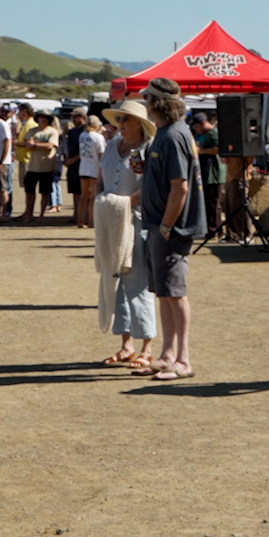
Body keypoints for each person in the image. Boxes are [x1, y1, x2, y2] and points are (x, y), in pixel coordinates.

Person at [140, 79, 207, 381]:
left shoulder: (172, 135)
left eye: (147, 98)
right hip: (158, 225)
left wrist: (167, 224)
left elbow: (180, 186)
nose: (144, 102)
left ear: (158, 102)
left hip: (170, 228)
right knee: (164, 293)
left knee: (175, 293)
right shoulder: (165, 134)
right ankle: (167, 354)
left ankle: (183, 359)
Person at [96, 100, 157, 369]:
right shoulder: (110, 146)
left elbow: (151, 189)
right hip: (110, 220)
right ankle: (125, 345)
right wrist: (100, 204)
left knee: (137, 283)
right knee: (114, 279)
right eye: (119, 119)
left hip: (137, 221)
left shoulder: (148, 151)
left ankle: (147, 346)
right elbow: (101, 180)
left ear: (140, 125)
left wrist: (124, 204)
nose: (120, 124)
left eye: (125, 119)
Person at [19, 112, 60, 222]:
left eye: (47, 117)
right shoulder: (32, 131)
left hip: (47, 167)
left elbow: (50, 145)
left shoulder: (53, 131)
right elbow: (27, 144)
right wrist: (36, 145)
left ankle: (41, 215)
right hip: (32, 167)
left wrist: (36, 145)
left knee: (44, 193)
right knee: (29, 193)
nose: (44, 119)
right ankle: (29, 215)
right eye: (42, 117)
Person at [192, 110, 227, 235]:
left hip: (214, 174)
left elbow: (218, 149)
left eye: (196, 127)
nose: (196, 130)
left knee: (213, 203)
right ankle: (212, 228)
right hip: (208, 174)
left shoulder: (213, 133)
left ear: (203, 123)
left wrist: (202, 151)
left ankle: (214, 229)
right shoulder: (206, 134)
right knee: (209, 203)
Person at [75, 113, 106, 229]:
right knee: (93, 196)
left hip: (83, 166)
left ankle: (80, 220)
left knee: (83, 196)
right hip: (94, 167)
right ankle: (91, 221)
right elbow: (101, 154)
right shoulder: (98, 137)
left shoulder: (82, 135)